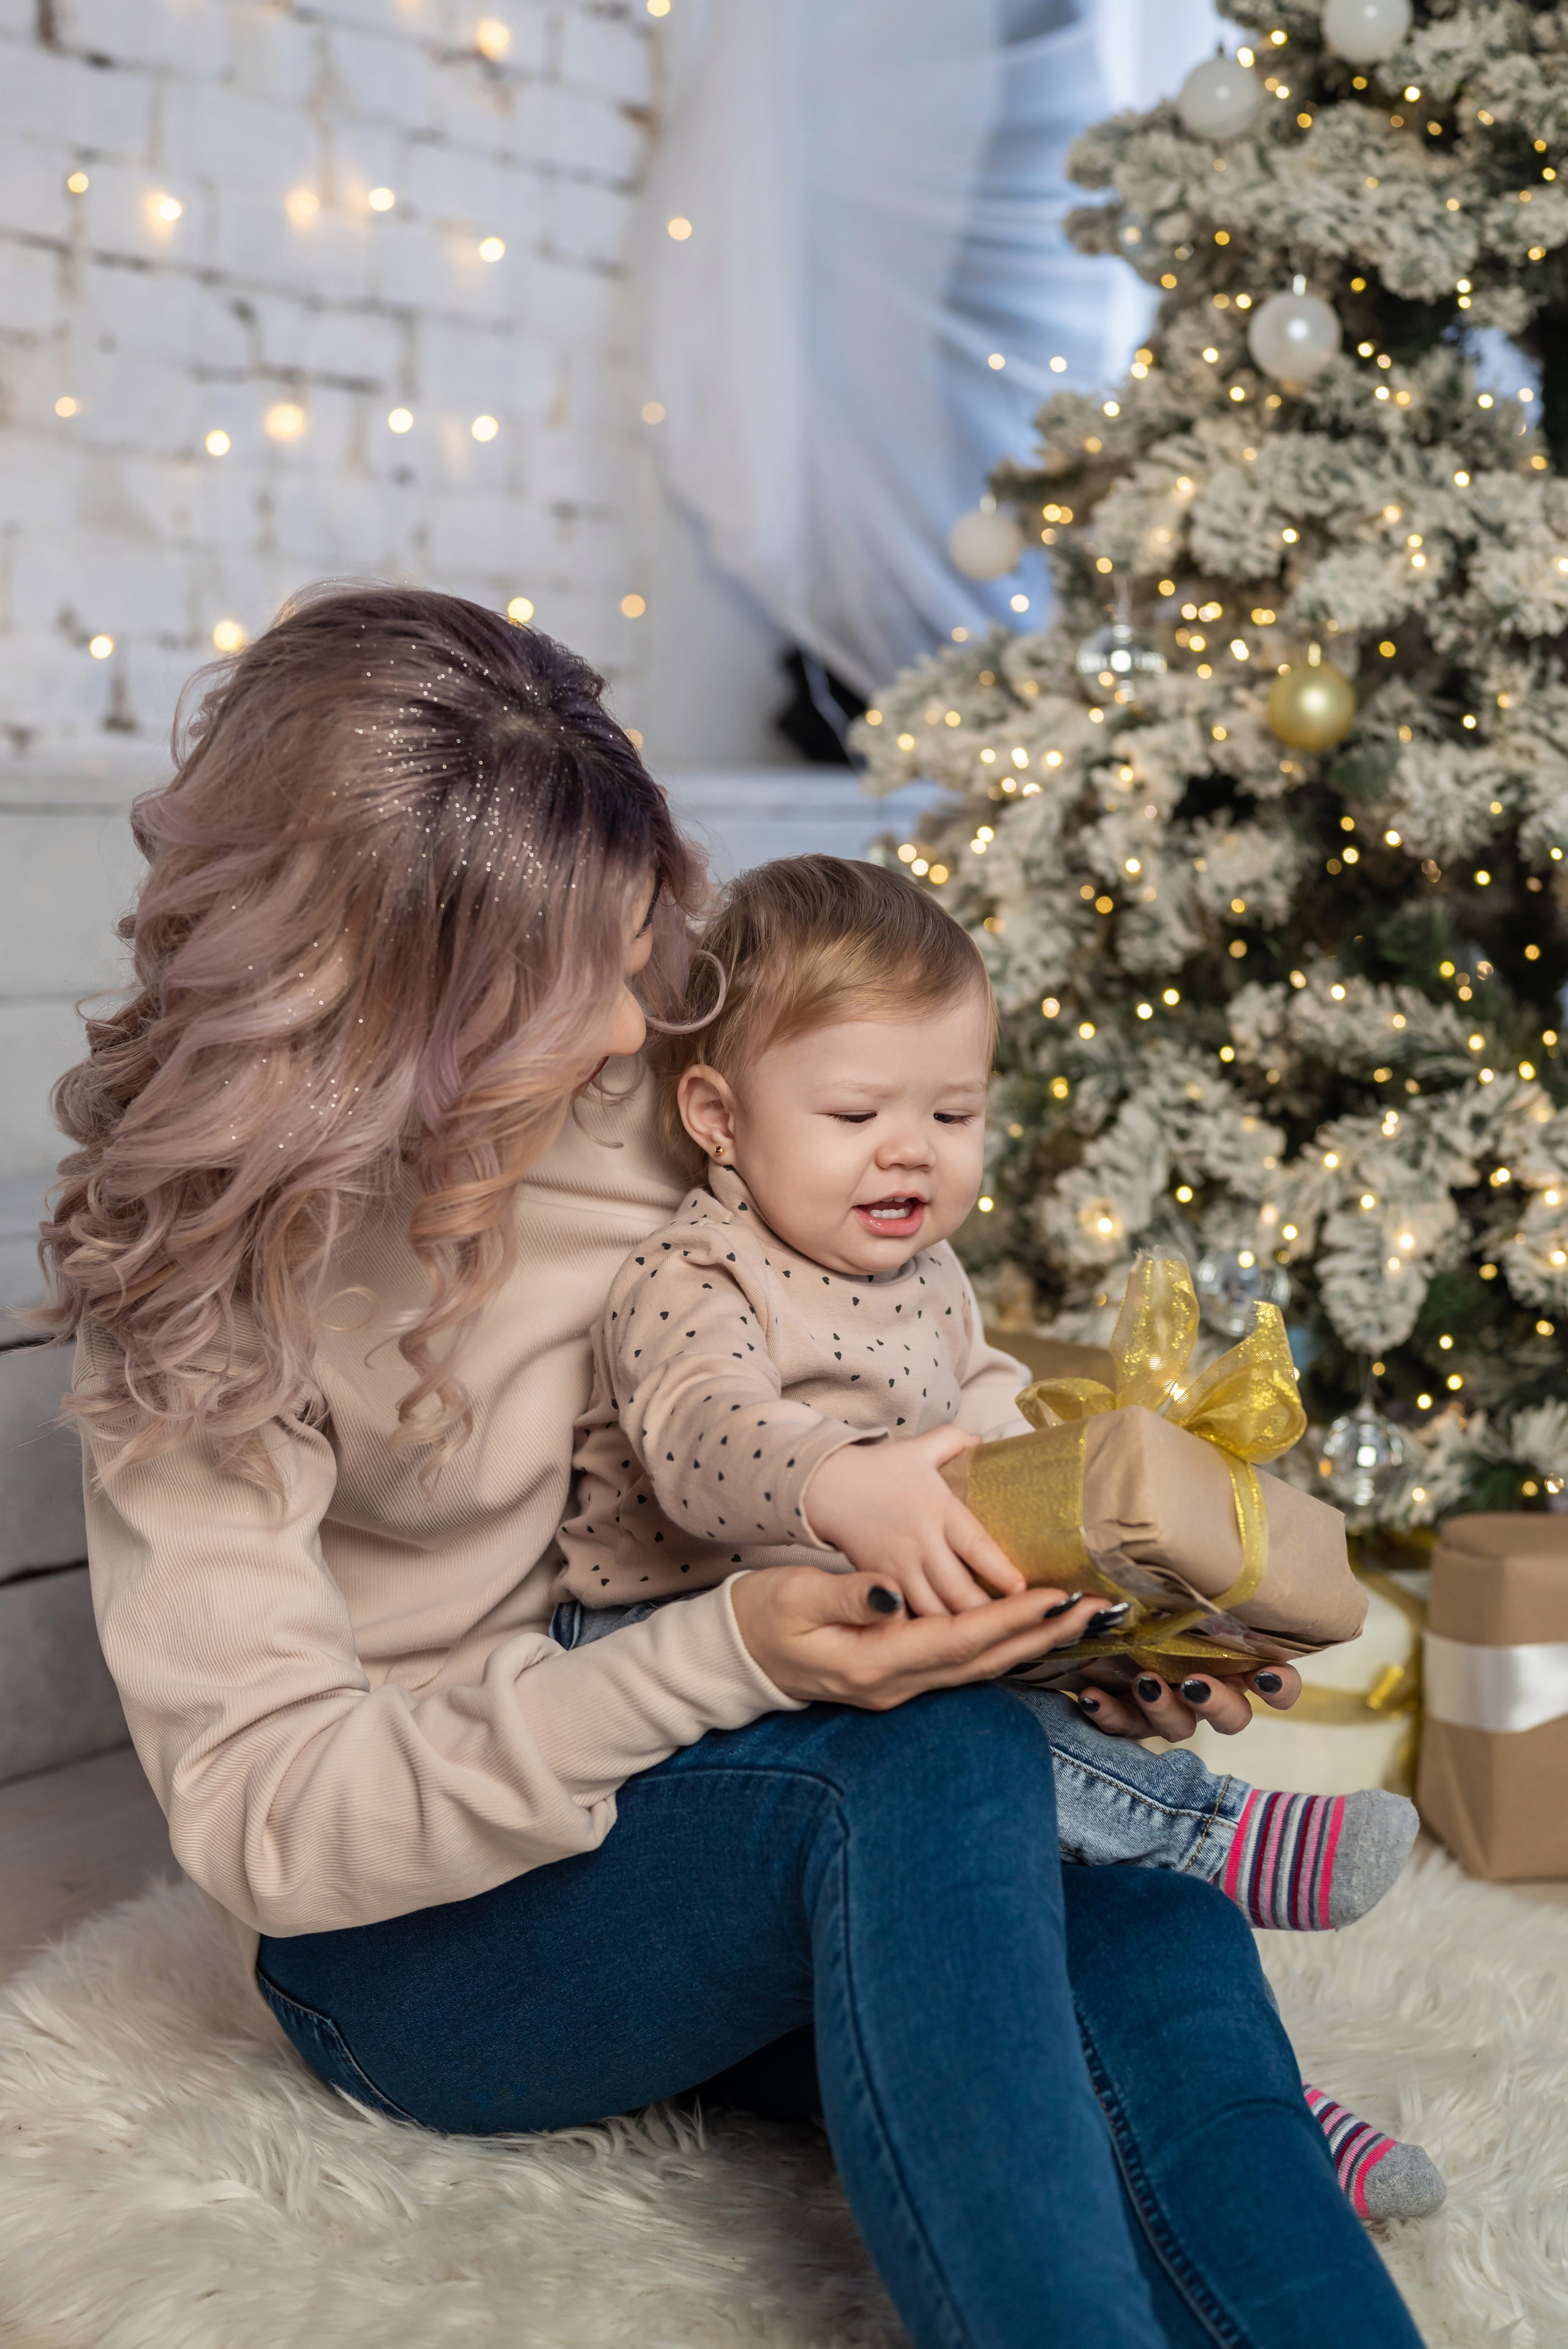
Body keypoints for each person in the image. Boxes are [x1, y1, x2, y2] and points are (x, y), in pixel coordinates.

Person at [40, 585, 1423, 2349]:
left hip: (728, 1799)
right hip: (427, 1950)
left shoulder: (654, 1096)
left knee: (1142, 1920)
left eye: (642, 954)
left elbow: (899, 1347)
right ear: (406, 1006)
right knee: (917, 1765)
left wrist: (1065, 1610)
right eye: (577, 986)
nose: (641, 1033)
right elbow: (271, 1824)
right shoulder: (205, 1295)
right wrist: (737, 1655)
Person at [555, 852, 1441, 2223]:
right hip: (675, 1650)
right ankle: (1198, 1839)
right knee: (970, 1754)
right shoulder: (694, 1273)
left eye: (952, 1111)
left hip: (888, 1620)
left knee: (1081, 1877)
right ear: (719, 1118)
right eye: (853, 1111)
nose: (909, 1149)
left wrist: (1112, 1579)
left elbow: (996, 1427)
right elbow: (698, 1443)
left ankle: (1259, 2109)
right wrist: (843, 1483)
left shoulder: (933, 1278)